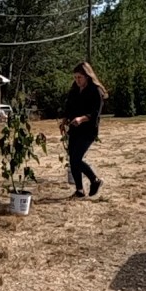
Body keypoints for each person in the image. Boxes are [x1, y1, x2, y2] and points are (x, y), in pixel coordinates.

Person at [60, 62, 106, 198]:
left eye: (79, 77)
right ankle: (79, 190)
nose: (77, 80)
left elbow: (95, 113)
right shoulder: (74, 89)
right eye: (75, 77)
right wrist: (65, 119)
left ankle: (94, 180)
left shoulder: (96, 91)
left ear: (87, 76)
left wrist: (81, 119)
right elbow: (69, 106)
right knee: (72, 159)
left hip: (88, 130)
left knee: (76, 158)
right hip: (74, 129)